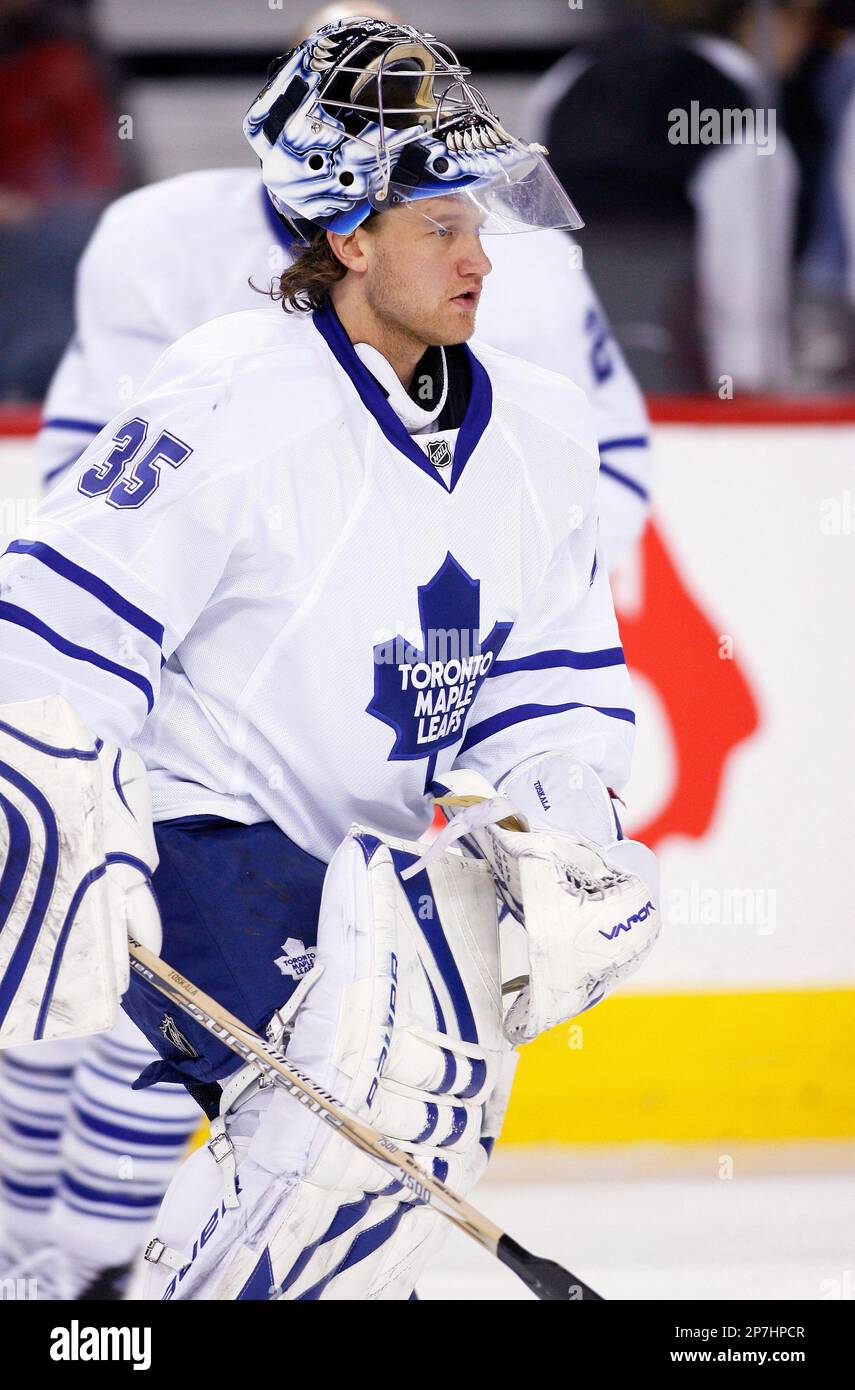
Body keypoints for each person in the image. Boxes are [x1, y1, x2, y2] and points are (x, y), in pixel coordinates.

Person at [0, 17, 659, 1301]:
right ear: (349, 235)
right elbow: (54, 619)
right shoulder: (229, 397)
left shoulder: (537, 427)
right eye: (438, 227)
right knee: (340, 1162)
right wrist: (53, 804)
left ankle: (95, 1312)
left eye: (480, 225)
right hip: (194, 835)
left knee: (380, 1173)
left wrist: (569, 817)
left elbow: (549, 676)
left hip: (362, 855)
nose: (480, 259)